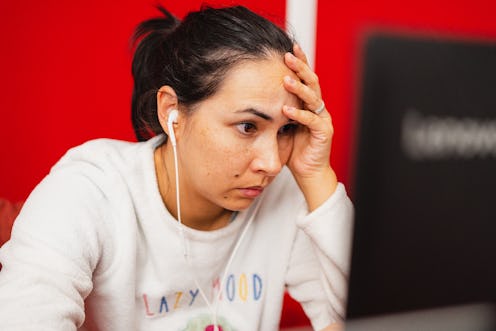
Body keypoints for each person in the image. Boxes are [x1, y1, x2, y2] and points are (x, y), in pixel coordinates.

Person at [0, 5, 353, 331]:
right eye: (247, 126)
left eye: (286, 130)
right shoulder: (89, 191)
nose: (273, 163)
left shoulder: (284, 193)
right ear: (172, 112)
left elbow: (373, 318)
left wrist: (315, 176)